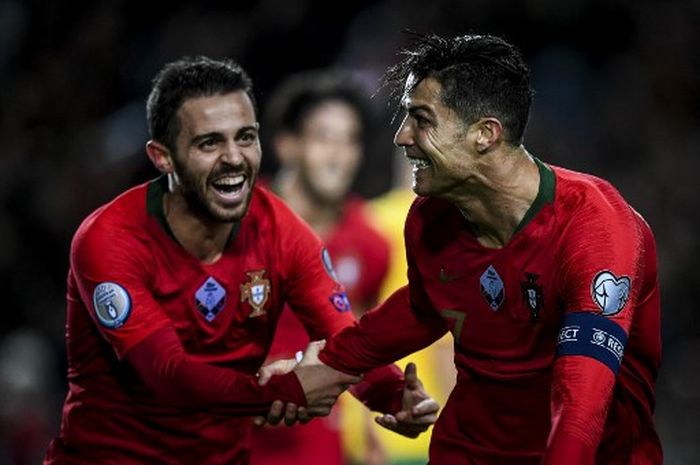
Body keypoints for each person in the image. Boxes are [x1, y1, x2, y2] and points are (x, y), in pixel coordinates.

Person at [43, 56, 439, 465]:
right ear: (162, 157)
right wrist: (283, 392)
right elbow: (166, 375)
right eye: (209, 143)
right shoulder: (110, 239)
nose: (234, 158)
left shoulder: (281, 229)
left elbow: (342, 333)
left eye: (245, 137)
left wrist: (392, 396)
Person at [288, 33, 662, 464]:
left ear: (485, 134)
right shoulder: (431, 218)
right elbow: (423, 307)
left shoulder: (598, 230)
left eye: (421, 119)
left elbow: (581, 402)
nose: (401, 137)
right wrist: (323, 365)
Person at [249, 70, 392, 465]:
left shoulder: (370, 245)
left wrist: (371, 434)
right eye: (324, 138)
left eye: (350, 140)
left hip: (320, 451)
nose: (339, 155)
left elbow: (358, 346)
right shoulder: (237, 222)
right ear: (287, 145)